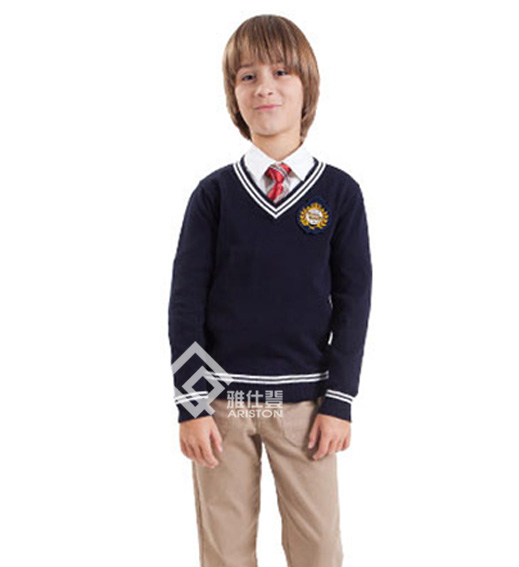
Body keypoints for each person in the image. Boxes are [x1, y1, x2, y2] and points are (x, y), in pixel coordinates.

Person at [168, 14, 372, 567]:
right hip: (222, 407)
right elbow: (185, 304)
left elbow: (353, 303)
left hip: (306, 408)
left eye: (281, 72)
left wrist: (340, 400)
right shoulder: (213, 195)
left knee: (318, 548)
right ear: (234, 96)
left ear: (307, 86)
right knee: (225, 550)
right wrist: (191, 405)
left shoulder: (339, 194)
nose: (265, 87)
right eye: (248, 76)